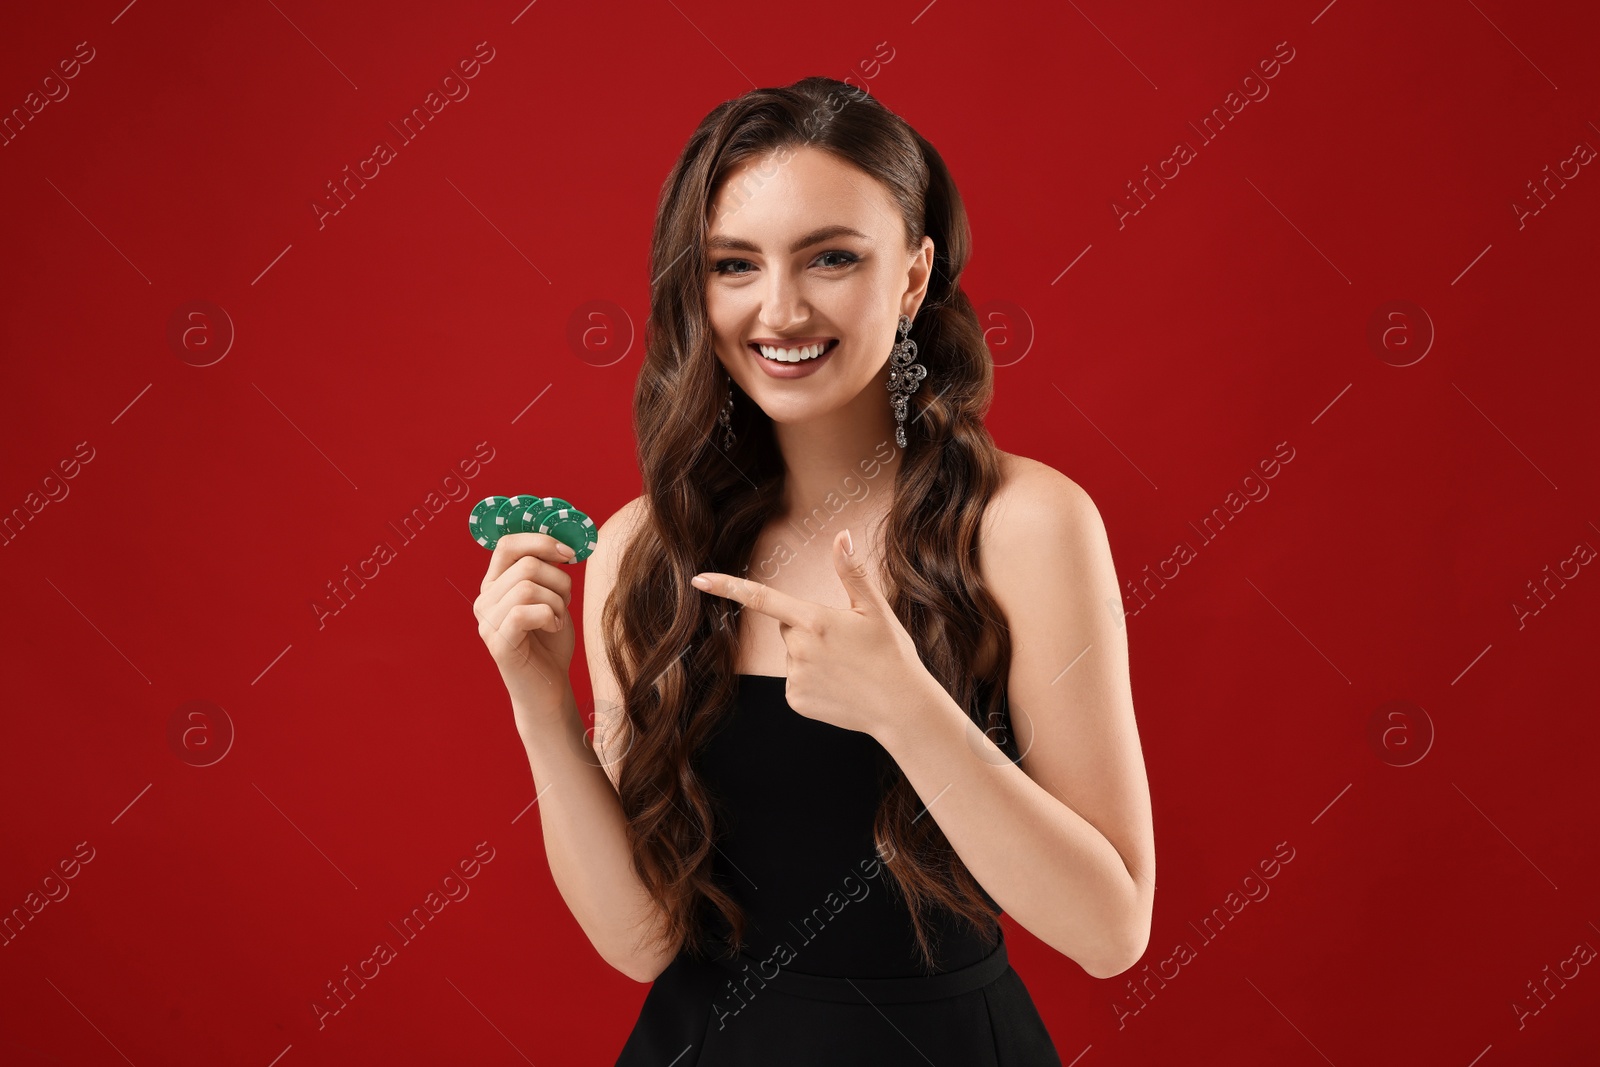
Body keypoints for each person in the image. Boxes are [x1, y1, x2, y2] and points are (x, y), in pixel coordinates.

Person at [473, 75, 1154, 1066]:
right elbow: (640, 943)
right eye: (733, 265)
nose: (779, 308)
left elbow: (1110, 929)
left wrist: (906, 708)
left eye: (831, 257)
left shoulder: (1027, 526)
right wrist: (537, 702)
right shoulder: (644, 547)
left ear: (913, 277)